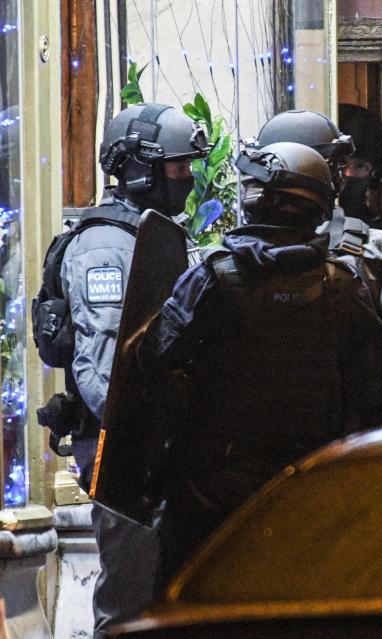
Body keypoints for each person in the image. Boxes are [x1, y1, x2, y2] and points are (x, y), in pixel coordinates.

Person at [135, 142, 382, 583]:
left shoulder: (214, 275)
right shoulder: (342, 284)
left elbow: (153, 357)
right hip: (315, 482)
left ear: (267, 199)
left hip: (215, 486)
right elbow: (373, 381)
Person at [58, 103, 207, 637]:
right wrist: (144, 435)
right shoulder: (105, 245)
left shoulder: (156, 234)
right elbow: (102, 369)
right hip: (123, 450)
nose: (186, 177)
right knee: (130, 606)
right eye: (176, 167)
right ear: (138, 167)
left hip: (159, 447)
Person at [337, 103, 382, 236]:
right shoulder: (309, 228)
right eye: (342, 163)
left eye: (360, 166)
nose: (348, 173)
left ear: (375, 172)